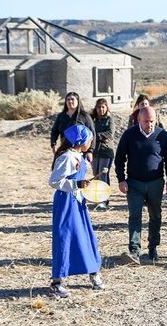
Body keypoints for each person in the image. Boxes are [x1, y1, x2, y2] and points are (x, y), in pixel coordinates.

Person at [48, 125, 104, 298]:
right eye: (89, 139)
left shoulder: (79, 156)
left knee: (86, 237)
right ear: (80, 141)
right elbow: (54, 181)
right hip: (66, 203)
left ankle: (94, 274)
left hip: (78, 202)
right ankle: (56, 283)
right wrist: (76, 185)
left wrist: (86, 188)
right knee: (65, 239)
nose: (90, 142)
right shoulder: (66, 157)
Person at [114, 107, 167, 264]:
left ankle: (153, 247)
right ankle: (134, 251)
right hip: (134, 183)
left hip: (155, 182)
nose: (149, 124)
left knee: (155, 215)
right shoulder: (129, 135)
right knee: (135, 216)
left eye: (152, 121)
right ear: (139, 120)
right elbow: (119, 158)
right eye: (146, 121)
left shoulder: (162, 135)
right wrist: (121, 179)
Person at [50, 92, 96, 162]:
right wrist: (53, 144)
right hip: (64, 149)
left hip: (79, 151)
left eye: (72, 99)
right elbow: (54, 131)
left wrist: (90, 151)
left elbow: (92, 134)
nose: (70, 101)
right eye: (68, 99)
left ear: (78, 101)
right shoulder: (61, 116)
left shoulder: (84, 116)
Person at [90, 98, 114, 210]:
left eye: (103, 107)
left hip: (106, 151)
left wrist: (96, 136)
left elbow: (110, 134)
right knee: (95, 174)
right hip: (94, 151)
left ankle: (104, 200)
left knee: (103, 175)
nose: (101, 109)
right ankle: (98, 198)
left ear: (107, 107)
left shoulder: (109, 119)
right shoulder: (93, 120)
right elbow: (89, 132)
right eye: (99, 107)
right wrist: (99, 137)